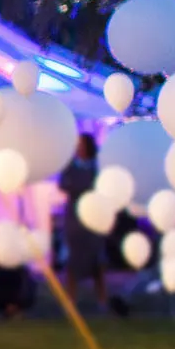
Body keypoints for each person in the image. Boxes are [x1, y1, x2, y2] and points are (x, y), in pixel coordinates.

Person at [58, 133, 126, 315]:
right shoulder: (70, 167)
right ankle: (71, 301)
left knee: (97, 262)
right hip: (75, 221)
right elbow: (64, 185)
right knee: (73, 262)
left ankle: (101, 300)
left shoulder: (97, 168)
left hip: (94, 221)